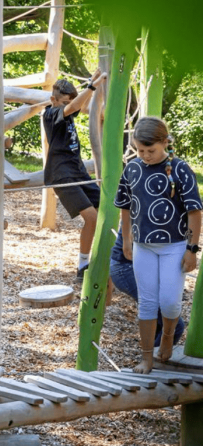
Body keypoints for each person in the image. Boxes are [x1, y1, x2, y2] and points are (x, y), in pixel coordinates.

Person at [115, 116, 202, 373]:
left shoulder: (180, 169)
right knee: (147, 302)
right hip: (143, 246)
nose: (145, 155)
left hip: (174, 246)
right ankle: (146, 357)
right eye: (140, 150)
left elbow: (195, 211)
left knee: (170, 302)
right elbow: (125, 207)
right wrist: (127, 239)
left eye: (150, 150)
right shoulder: (132, 168)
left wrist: (192, 249)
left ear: (164, 142)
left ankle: (168, 336)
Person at [42, 70, 106, 282]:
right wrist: (92, 86)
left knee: (108, 210)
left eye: (69, 102)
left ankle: (105, 258)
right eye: (64, 102)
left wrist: (91, 82)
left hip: (78, 172)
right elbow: (75, 105)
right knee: (92, 217)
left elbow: (78, 104)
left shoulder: (67, 110)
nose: (68, 106)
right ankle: (83, 265)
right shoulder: (50, 114)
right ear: (53, 100)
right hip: (62, 176)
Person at [109, 229, 186, 347]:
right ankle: (154, 356)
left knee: (161, 323)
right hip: (126, 268)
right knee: (175, 326)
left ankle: (152, 352)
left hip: (141, 266)